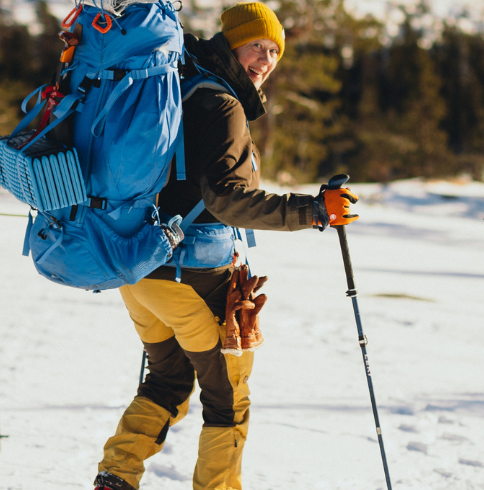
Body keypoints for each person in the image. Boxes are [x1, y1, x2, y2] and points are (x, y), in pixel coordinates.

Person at [91, 3, 359, 490]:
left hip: (139, 271)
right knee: (227, 402)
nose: (266, 58)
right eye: (257, 45)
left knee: (167, 382)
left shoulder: (180, 86)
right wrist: (315, 210)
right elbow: (227, 200)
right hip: (192, 278)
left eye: (275, 50)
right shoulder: (222, 104)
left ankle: (116, 476)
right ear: (231, 42)